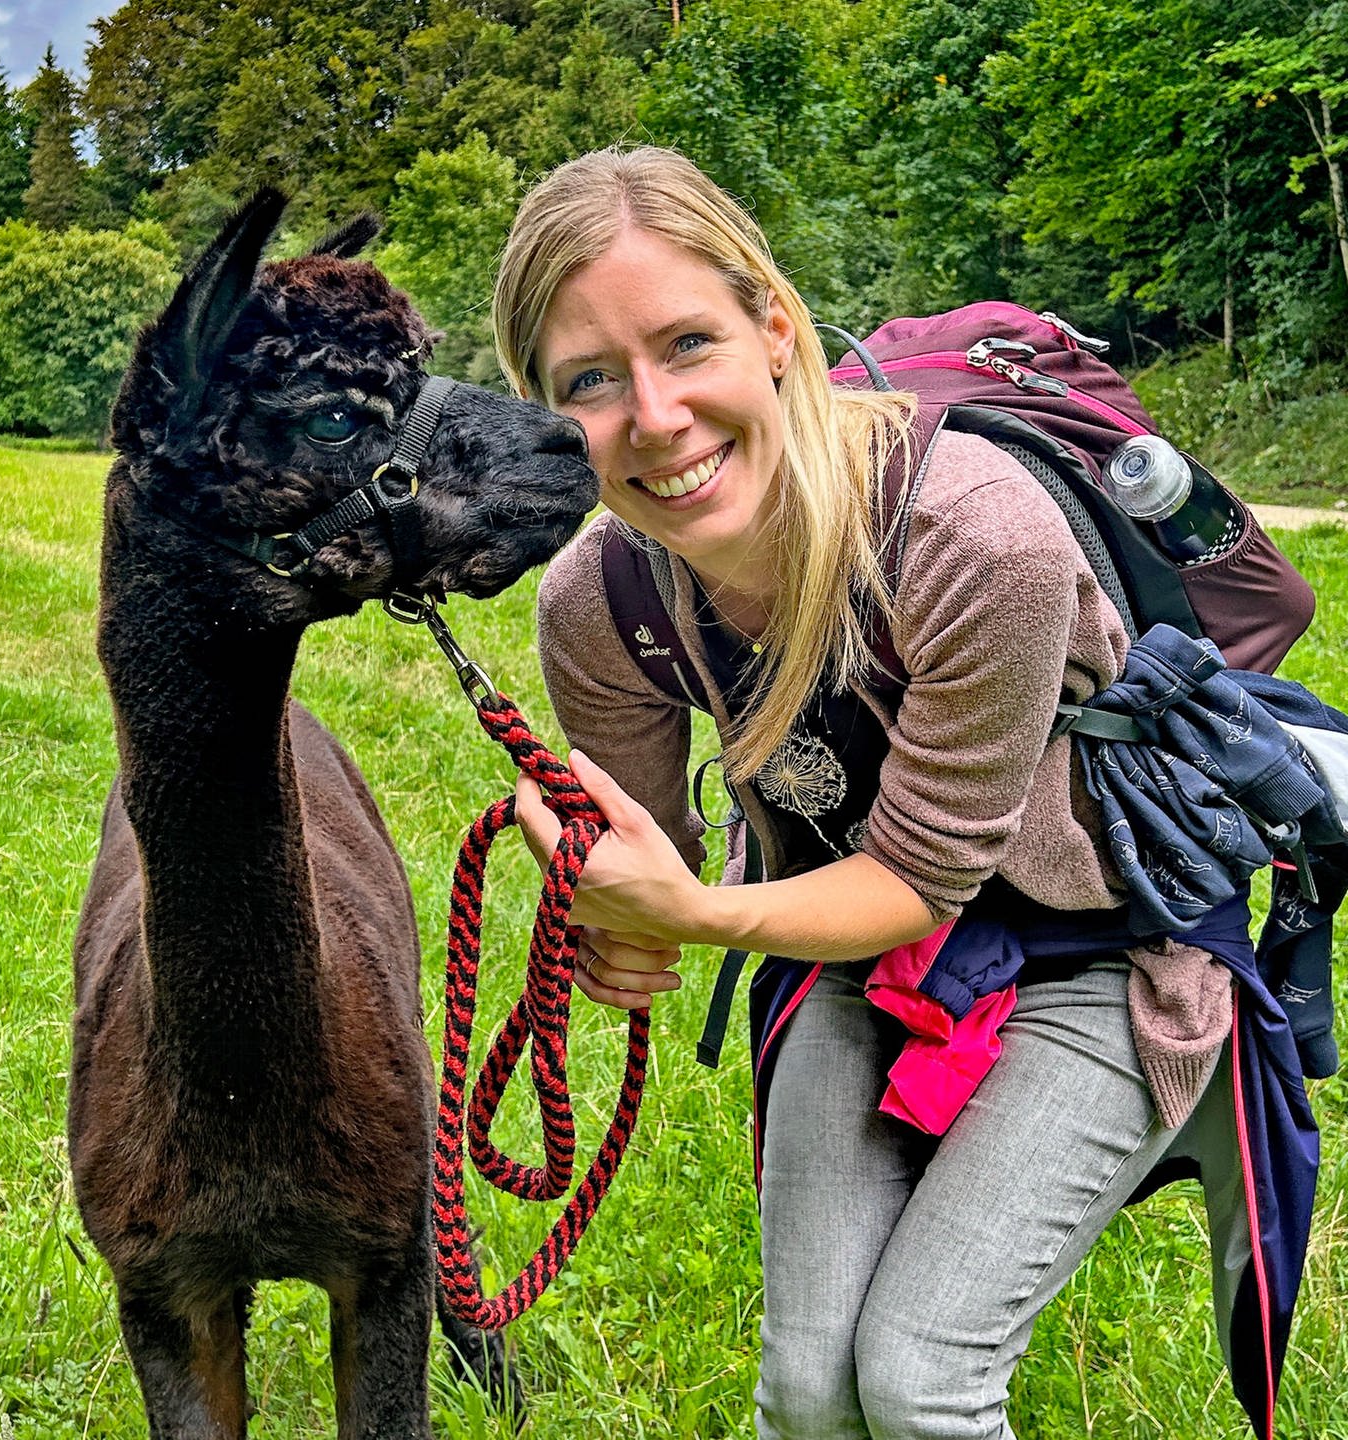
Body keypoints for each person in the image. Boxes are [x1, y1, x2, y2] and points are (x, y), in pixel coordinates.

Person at [491, 146, 1246, 1440]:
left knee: (918, 1382)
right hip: (851, 953)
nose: (656, 416)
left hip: (1099, 947)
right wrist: (612, 914)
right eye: (591, 381)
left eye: (687, 344)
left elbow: (914, 880)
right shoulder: (597, 606)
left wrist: (696, 917)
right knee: (805, 1392)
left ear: (775, 328)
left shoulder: (973, 536)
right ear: (547, 415)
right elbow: (654, 866)